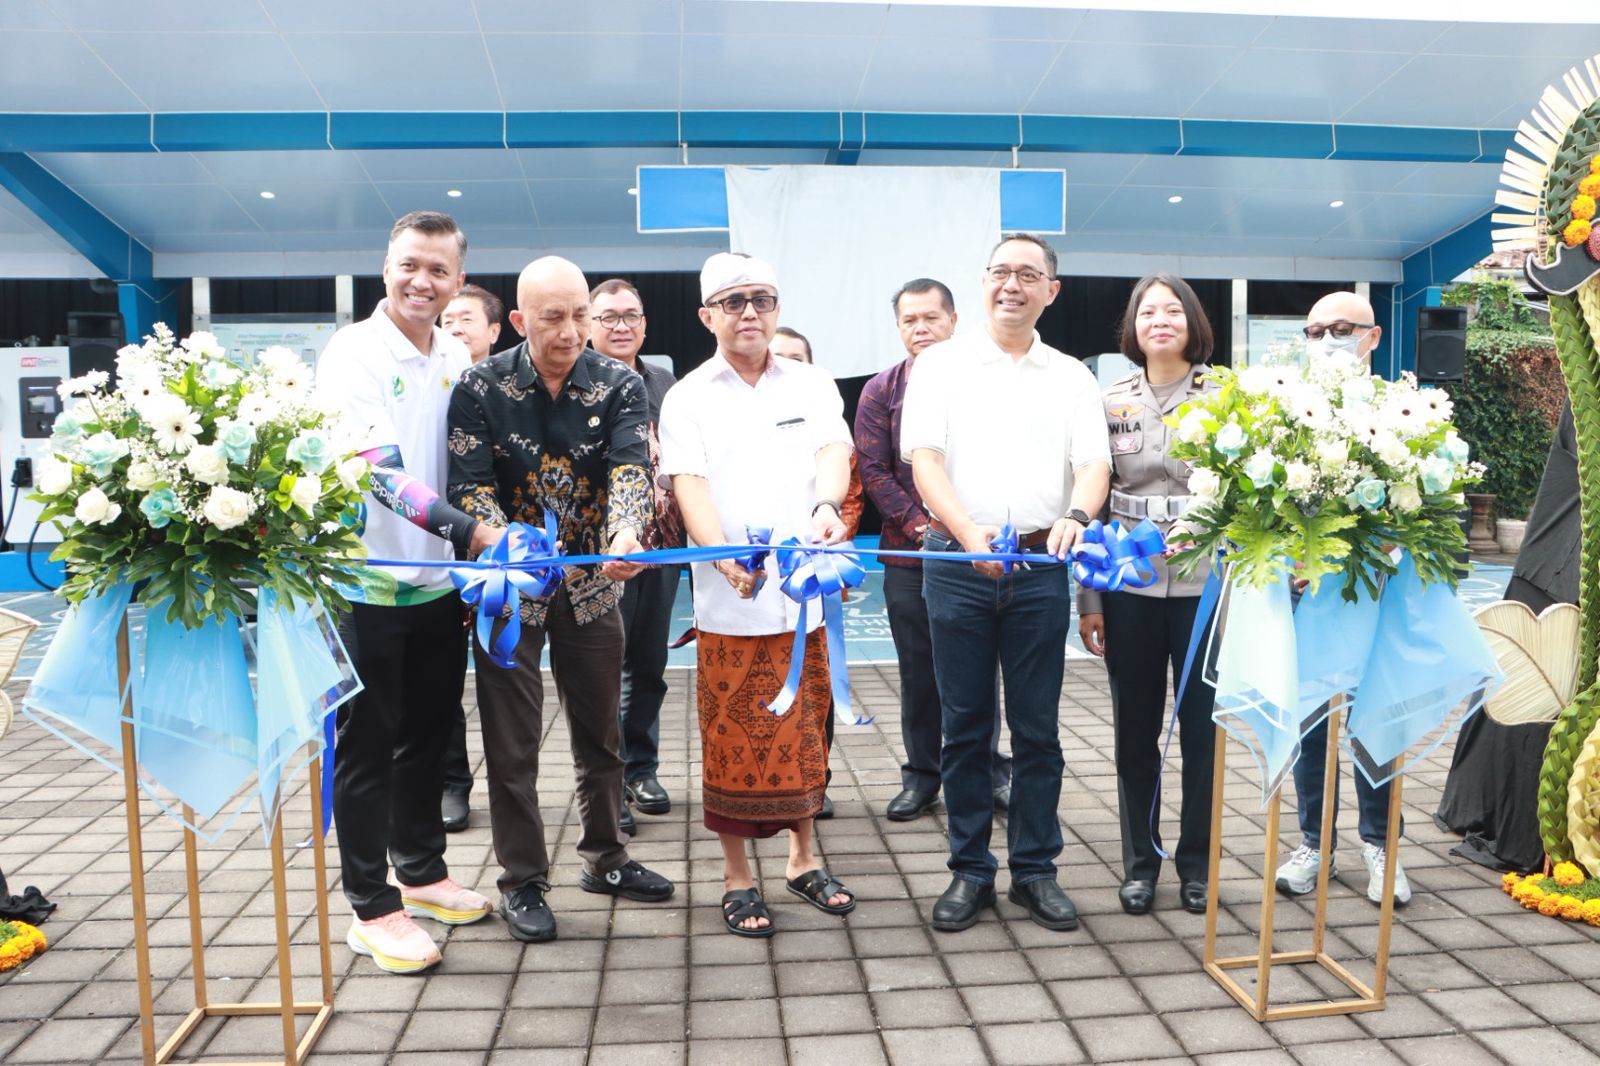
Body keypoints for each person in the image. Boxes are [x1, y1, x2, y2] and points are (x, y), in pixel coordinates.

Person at [447, 256, 675, 944]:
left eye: (581, 315)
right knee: (511, 742)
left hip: (593, 581)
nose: (572, 331)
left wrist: (626, 531)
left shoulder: (619, 383)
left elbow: (631, 468)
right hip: (509, 589)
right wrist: (508, 546)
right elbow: (468, 483)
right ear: (520, 320)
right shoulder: (478, 385)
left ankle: (606, 858)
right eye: (554, 318)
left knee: (600, 733)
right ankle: (522, 879)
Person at [902, 232, 1110, 933]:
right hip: (956, 562)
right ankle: (970, 870)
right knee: (964, 728)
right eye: (999, 271)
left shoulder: (1072, 376)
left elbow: (1094, 465)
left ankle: (1035, 871)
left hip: (1040, 565)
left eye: (1028, 274)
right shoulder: (941, 364)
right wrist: (968, 536)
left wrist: (1077, 516)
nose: (1011, 285)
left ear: (1052, 289)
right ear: (983, 281)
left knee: (1038, 729)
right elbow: (924, 461)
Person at [316, 210, 499, 974]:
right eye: (409, 265)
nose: (422, 282)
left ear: (459, 281)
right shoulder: (353, 353)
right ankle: (371, 906)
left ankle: (420, 872)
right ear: (386, 267)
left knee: (427, 733)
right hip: (361, 583)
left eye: (438, 270)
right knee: (367, 747)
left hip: (434, 585)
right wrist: (475, 533)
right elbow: (380, 474)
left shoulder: (455, 353)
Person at [659, 252, 856, 938]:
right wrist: (720, 558)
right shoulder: (688, 396)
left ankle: (804, 860)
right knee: (732, 736)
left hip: (804, 593)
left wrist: (828, 506)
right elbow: (689, 484)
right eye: (734, 301)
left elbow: (833, 452)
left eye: (763, 299)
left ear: (777, 309)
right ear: (707, 315)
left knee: (806, 733)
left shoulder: (811, 382)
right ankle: (737, 876)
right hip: (730, 601)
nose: (750, 312)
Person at [1077, 274, 1216, 916]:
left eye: (1173, 310)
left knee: (1202, 733)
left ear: (1193, 321)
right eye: (1147, 312)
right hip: (1126, 584)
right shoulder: (1106, 401)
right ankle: (1140, 864)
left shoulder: (1229, 399)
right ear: (1132, 326)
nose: (1160, 320)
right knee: (1134, 731)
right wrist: (1090, 599)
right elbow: (1090, 501)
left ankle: (1198, 865)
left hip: (1203, 583)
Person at [856, 278, 1014, 824]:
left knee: (979, 670)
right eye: (909, 320)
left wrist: (967, 532)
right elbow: (874, 471)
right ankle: (922, 777)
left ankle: (990, 773)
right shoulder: (881, 390)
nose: (920, 329)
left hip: (979, 552)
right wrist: (926, 530)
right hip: (910, 555)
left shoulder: (987, 381)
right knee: (919, 672)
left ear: (953, 320)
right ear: (898, 327)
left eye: (931, 318)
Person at [1275, 289, 1410, 906]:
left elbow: (1423, 504)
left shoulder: (1403, 411)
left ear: (1372, 337)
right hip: (1305, 593)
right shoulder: (1285, 410)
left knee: (1376, 718)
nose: (1326, 341)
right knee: (1309, 722)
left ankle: (1381, 844)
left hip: (1373, 592)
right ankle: (1314, 843)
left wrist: (1392, 542)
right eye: (1315, 331)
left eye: (1340, 329)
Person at [588, 277, 684, 837]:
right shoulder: (578, 382)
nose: (621, 326)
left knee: (648, 666)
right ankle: (608, 780)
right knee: (602, 670)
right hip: (602, 554)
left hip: (662, 547)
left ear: (645, 325)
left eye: (630, 316)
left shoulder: (667, 384)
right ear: (589, 324)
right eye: (608, 317)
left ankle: (641, 770)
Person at [770, 324, 864, 820]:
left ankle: (816, 780)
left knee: (818, 681)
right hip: (756, 574)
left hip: (819, 567)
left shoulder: (825, 416)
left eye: (797, 357)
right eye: (779, 356)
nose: (787, 365)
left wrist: (830, 547)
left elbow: (850, 495)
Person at [435, 283, 504, 833]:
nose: (455, 329)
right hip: (441, 545)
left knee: (506, 678)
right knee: (443, 678)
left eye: (467, 320)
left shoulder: (509, 386)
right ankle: (452, 783)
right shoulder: (432, 378)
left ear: (496, 331)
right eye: (448, 321)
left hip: (505, 550)